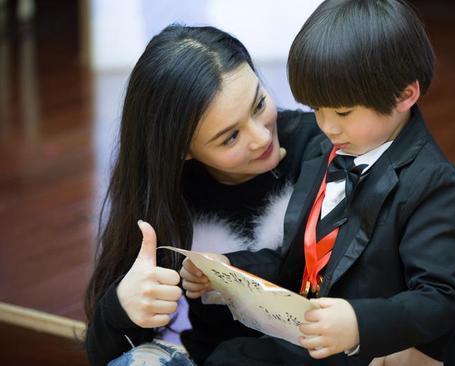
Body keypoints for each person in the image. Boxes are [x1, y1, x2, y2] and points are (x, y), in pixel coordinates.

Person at [183, 0, 455, 364]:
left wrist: (358, 322)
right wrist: (228, 268)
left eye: (341, 112)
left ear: (405, 95)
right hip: (314, 328)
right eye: (316, 109)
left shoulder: (430, 182)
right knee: (227, 355)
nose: (326, 126)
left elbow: (441, 299)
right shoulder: (327, 151)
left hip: (378, 346)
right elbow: (296, 258)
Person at [83, 24, 322, 366]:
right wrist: (123, 306)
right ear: (182, 151)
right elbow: (102, 352)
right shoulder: (168, 192)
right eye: (230, 138)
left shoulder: (324, 151)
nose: (260, 138)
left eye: (258, 105)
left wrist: (231, 268)